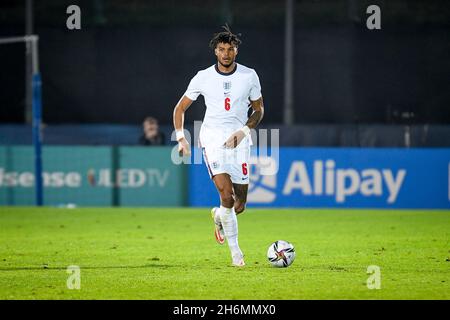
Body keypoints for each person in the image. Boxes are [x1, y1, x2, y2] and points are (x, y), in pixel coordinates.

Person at [172, 25, 264, 267]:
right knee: (226, 194)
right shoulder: (203, 77)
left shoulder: (249, 75)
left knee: (239, 205)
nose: (226, 53)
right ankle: (236, 254)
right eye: (221, 49)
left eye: (230, 49)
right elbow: (180, 108)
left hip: (240, 141)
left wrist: (244, 131)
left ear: (236, 51)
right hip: (212, 139)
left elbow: (259, 109)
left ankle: (218, 216)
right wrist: (181, 137)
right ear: (215, 51)